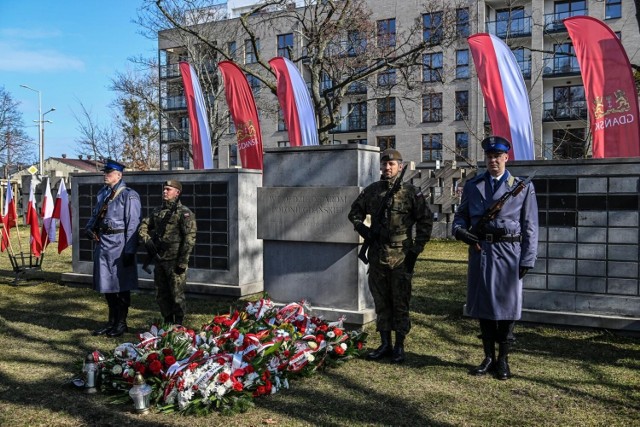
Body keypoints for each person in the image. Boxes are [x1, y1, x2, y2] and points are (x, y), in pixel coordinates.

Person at [452, 136, 538, 380]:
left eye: (497, 156)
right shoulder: (473, 185)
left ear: (506, 158)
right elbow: (461, 215)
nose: (493, 161)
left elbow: (530, 225)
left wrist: (527, 258)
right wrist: (460, 231)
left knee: (508, 307)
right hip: (481, 251)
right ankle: (488, 356)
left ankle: (503, 360)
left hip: (509, 254)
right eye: (489, 156)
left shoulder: (521, 187)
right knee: (483, 305)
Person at [348, 148, 433, 363]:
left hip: (402, 256)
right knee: (381, 301)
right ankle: (385, 343)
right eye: (384, 164)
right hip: (377, 254)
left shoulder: (411, 192)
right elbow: (354, 213)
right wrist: (364, 230)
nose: (387, 168)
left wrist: (417, 248)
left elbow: (425, 220)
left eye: (392, 164)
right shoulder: (372, 191)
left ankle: (399, 346)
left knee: (400, 301)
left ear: (400, 166)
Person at [85, 159, 141, 337]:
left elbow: (133, 224)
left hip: (120, 243)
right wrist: (89, 228)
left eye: (108, 173)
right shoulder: (103, 193)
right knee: (107, 285)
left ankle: (121, 323)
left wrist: (130, 250)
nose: (105, 175)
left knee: (121, 285)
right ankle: (111, 322)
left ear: (119, 175)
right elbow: (96, 214)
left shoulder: (128, 195)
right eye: (105, 172)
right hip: (104, 243)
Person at [138, 180, 197, 326]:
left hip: (175, 260)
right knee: (161, 294)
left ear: (177, 192)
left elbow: (189, 239)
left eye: (169, 189)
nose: (165, 192)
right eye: (164, 189)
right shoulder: (157, 211)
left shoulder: (184, 213)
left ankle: (179, 323)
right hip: (160, 260)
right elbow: (144, 226)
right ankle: (168, 321)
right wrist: (147, 240)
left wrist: (183, 262)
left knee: (177, 295)